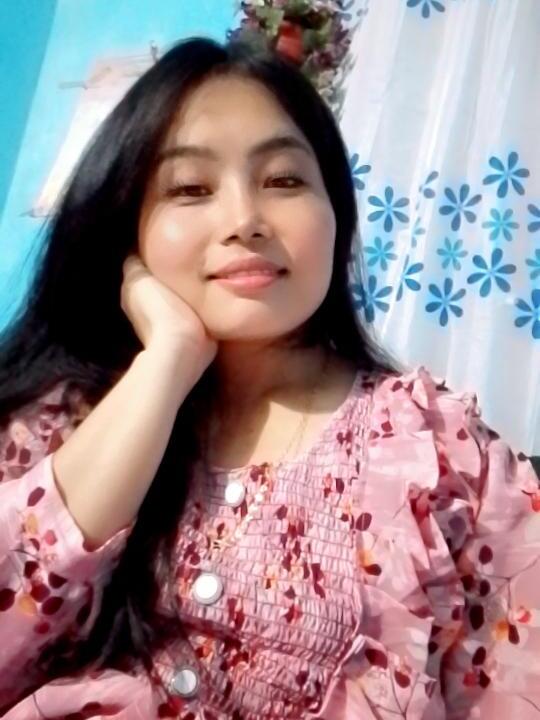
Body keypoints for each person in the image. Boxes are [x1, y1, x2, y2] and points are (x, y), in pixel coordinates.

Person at [0, 35, 538, 720]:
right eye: (190, 188)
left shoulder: (440, 453)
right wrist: (166, 363)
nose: (245, 220)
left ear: (337, 213)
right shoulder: (55, 420)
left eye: (283, 180)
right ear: (125, 227)